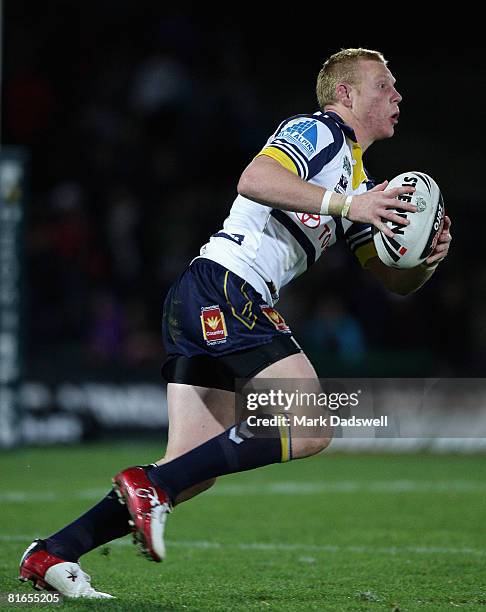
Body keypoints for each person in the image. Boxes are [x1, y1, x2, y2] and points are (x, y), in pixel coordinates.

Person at [19, 48, 452, 598]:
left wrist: (426, 260)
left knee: (191, 471)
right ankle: (147, 487)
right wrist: (349, 206)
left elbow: (390, 280)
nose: (398, 96)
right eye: (384, 86)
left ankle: (53, 553)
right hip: (227, 285)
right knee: (311, 424)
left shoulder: (358, 176)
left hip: (208, 293)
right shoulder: (317, 131)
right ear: (346, 94)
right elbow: (255, 178)